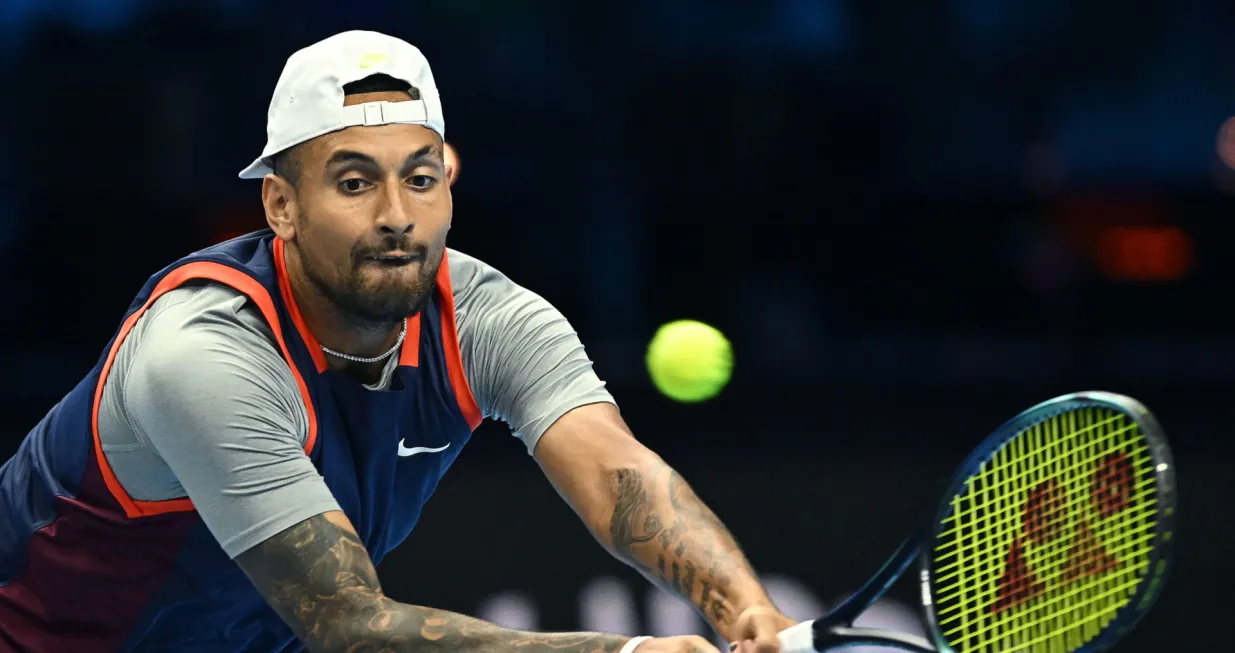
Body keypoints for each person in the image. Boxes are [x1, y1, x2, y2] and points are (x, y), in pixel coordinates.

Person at [0, 31, 795, 653]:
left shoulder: (487, 315)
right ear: (279, 204)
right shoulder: (201, 354)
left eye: (419, 178)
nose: (395, 215)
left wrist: (744, 605)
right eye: (353, 182)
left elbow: (622, 478)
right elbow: (348, 625)